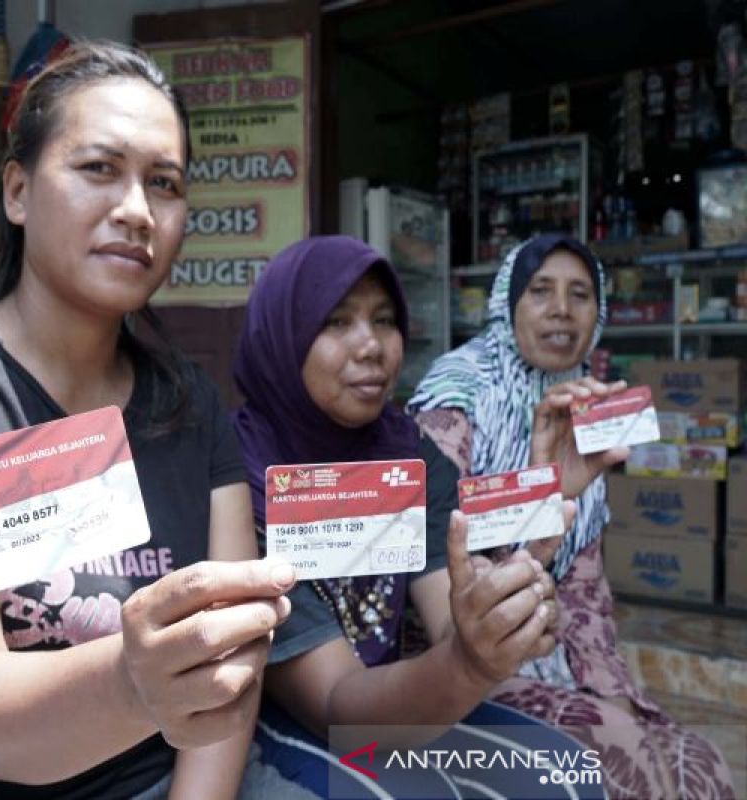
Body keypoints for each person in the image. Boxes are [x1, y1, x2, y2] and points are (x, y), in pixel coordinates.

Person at [0, 41, 306, 800]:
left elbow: (233, 667)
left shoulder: (192, 405)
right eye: (98, 169)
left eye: (165, 183)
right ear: (17, 191)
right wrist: (133, 679)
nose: (135, 210)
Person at [232, 236, 602, 799]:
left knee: (565, 774)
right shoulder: (244, 475)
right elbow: (336, 706)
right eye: (336, 323)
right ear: (282, 338)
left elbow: (454, 620)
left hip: (392, 698)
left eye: (384, 321)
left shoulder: (408, 454)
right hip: (275, 719)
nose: (371, 346)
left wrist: (499, 614)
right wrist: (468, 662)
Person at [407, 234, 736, 799]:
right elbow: (443, 563)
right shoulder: (454, 403)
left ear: (599, 312)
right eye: (541, 291)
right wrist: (537, 488)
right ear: (507, 305)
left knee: (694, 764)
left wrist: (611, 696)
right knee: (611, 759)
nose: (562, 309)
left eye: (580, 294)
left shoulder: (584, 408)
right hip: (453, 660)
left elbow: (584, 592)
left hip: (547, 650)